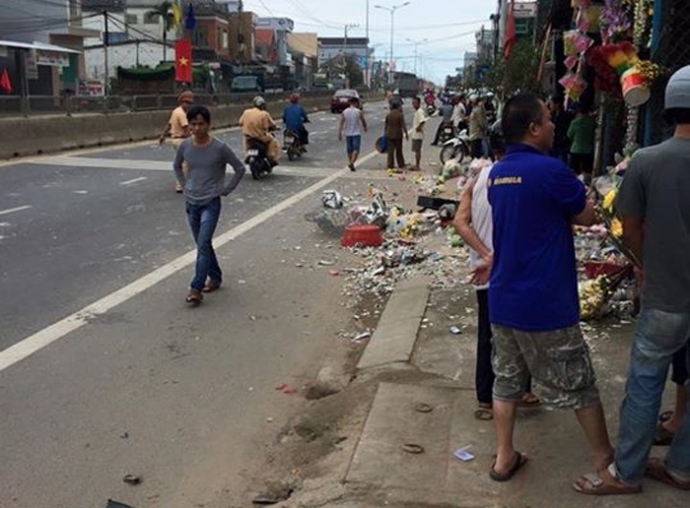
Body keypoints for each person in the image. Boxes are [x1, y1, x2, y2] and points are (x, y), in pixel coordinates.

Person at [573, 65, 690, 496]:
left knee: (645, 383)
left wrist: (645, 262)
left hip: (664, 294)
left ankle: (627, 473)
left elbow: (629, 223)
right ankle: (681, 468)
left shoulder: (647, 161)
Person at [487, 92, 613, 483]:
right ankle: (605, 462)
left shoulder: (497, 173)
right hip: (545, 301)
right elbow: (587, 215)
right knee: (579, 382)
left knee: (506, 380)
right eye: (548, 119)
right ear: (533, 128)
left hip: (504, 297)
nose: (555, 124)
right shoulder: (552, 171)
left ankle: (503, 457)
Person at [453, 120, 540, 422]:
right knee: (521, 332)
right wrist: (496, 256)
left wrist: (485, 253)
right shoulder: (522, 178)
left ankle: (485, 397)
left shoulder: (477, 179)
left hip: (484, 271)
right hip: (513, 270)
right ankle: (522, 391)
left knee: (488, 335)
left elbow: (460, 222)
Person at [173, 105, 246, 305]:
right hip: (191, 202)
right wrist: (184, 184)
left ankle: (196, 287)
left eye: (201, 124)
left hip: (210, 203)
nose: (197, 128)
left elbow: (239, 168)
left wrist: (226, 189)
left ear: (208, 125)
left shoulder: (219, 148)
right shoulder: (185, 146)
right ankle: (215, 277)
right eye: (193, 124)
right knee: (202, 244)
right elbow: (176, 165)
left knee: (203, 244)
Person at [159, 90, 194, 192]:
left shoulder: (176, 111)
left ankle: (184, 183)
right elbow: (186, 129)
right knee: (185, 163)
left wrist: (163, 135)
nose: (188, 105)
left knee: (183, 162)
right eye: (186, 103)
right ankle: (181, 185)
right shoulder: (181, 114)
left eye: (189, 103)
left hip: (175, 140)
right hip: (181, 140)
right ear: (182, 102)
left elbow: (169, 125)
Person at [238, 95, 280, 166]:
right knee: (273, 140)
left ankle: (247, 156)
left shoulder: (246, 112)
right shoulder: (264, 114)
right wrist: (276, 127)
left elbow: (240, 122)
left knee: (245, 140)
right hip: (260, 137)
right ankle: (270, 157)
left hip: (249, 137)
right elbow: (271, 125)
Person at [338, 97, 368, 172]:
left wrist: (340, 133)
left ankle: (350, 163)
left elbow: (341, 123)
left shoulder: (345, 112)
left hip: (347, 133)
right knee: (356, 150)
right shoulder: (358, 111)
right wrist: (365, 128)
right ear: (355, 103)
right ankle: (352, 163)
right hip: (356, 133)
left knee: (349, 150)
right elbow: (363, 121)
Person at [567, 103, 596, 178]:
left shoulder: (575, 122)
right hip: (587, 150)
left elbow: (569, 135)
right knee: (586, 172)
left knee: (574, 172)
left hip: (575, 149)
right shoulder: (592, 122)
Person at [384, 100, 409, 171]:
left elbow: (386, 125)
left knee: (390, 151)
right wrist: (406, 134)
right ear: (398, 107)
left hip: (389, 135)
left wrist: (385, 134)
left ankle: (390, 164)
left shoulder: (388, 115)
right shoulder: (400, 115)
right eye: (400, 106)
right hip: (398, 135)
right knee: (399, 150)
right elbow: (403, 125)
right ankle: (401, 164)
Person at [549, 96, 573, 163]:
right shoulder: (551, 116)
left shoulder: (565, 116)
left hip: (562, 142)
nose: (551, 106)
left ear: (557, 104)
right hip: (553, 142)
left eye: (552, 104)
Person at [410, 96, 427, 171]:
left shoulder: (420, 111)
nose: (414, 105)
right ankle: (416, 164)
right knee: (416, 150)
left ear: (419, 103)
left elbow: (422, 120)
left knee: (417, 150)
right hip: (416, 134)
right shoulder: (417, 111)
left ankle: (417, 165)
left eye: (415, 103)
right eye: (413, 103)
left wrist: (418, 128)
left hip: (418, 135)